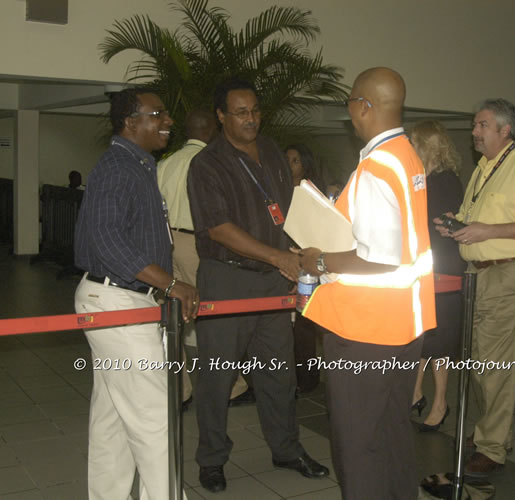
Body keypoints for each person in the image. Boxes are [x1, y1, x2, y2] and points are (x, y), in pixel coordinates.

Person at [298, 67, 436, 500]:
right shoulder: (406, 156)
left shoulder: (377, 168)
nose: (350, 114)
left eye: (351, 105)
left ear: (363, 106)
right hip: (402, 326)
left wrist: (318, 259)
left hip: (365, 331)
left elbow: (377, 258)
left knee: (358, 446)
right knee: (392, 434)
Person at [187, 77, 328, 493]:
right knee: (217, 377)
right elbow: (218, 229)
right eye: (241, 113)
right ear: (221, 116)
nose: (251, 119)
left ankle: (286, 449)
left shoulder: (270, 151)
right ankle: (211, 460)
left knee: (277, 373)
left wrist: (308, 246)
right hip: (227, 279)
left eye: (255, 111)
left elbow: (286, 210)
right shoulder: (207, 164)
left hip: (272, 282)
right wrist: (278, 257)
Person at [422, 98, 515, 495]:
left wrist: (487, 232)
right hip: (478, 275)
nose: (474, 132)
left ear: (504, 129)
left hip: (509, 274)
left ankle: (492, 447)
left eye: (481, 125)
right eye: (474, 125)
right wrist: (457, 228)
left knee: (493, 363)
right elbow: (477, 222)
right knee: (483, 361)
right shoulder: (485, 168)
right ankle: (492, 435)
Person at [73, 88, 199, 500]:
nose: (168, 121)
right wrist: (170, 282)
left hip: (122, 299)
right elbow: (108, 241)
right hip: (118, 302)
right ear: (131, 123)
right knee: (153, 419)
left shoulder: (138, 165)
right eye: (157, 114)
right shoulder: (117, 168)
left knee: (112, 419)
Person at [157, 108, 217, 408]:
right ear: (210, 131)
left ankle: (179, 390)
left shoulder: (165, 164)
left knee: (172, 315)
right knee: (208, 314)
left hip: (167, 243)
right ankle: (227, 389)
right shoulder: (210, 163)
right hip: (197, 245)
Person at [409, 120, 467, 432]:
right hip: (424, 264)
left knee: (440, 337)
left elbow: (442, 226)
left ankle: (441, 401)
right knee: (423, 332)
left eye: (414, 143)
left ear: (427, 146)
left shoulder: (446, 181)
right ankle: (416, 391)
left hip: (443, 265)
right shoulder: (422, 179)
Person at [285, 143, 324, 394]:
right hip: (282, 258)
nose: (289, 165)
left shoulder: (311, 194)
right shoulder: (276, 190)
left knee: (304, 327)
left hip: (305, 262)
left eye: (295, 160)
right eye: (286, 160)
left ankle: (307, 379)